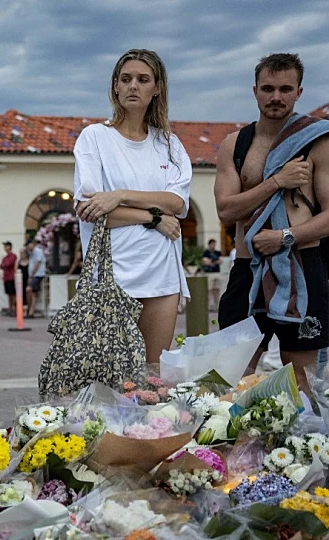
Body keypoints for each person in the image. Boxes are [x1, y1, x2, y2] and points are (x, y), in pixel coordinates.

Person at [214, 53, 329, 392]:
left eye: (285, 89)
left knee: (303, 382)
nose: (276, 97)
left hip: (302, 268)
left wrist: (285, 237)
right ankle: (233, 445)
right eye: (268, 88)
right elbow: (225, 210)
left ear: (298, 91)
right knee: (231, 378)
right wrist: (277, 181)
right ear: (255, 91)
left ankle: (302, 444)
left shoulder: (318, 142)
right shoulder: (235, 145)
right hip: (248, 268)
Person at [74, 48, 192, 364]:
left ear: (157, 88)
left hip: (161, 275)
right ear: (115, 86)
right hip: (112, 278)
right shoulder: (94, 138)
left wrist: (120, 195)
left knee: (152, 377)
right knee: (114, 383)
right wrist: (153, 218)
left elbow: (177, 202)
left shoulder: (169, 144)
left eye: (143, 79)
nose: (133, 86)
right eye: (125, 79)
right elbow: (92, 211)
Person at [26, 240, 47, 317]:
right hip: (33, 275)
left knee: (29, 289)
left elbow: (37, 264)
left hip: (38, 274)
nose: (28, 247)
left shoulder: (38, 251)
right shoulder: (31, 253)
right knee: (32, 292)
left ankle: (31, 310)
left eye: (29, 244)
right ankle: (30, 309)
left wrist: (31, 275)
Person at [201, 238, 223, 311]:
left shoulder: (218, 252)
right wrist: (215, 261)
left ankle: (217, 305)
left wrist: (211, 262)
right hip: (209, 273)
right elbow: (205, 262)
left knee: (217, 289)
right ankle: (209, 305)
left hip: (217, 272)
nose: (214, 245)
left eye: (214, 244)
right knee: (209, 290)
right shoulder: (206, 252)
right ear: (209, 244)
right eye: (212, 244)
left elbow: (220, 261)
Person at [1, 241, 18, 314]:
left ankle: (14, 309)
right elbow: (1, 265)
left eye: (6, 246)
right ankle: (10, 308)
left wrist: (4, 265)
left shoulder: (13, 256)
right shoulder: (5, 257)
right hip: (6, 277)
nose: (5, 248)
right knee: (9, 294)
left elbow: (8, 264)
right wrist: (4, 265)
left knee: (13, 294)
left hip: (11, 277)